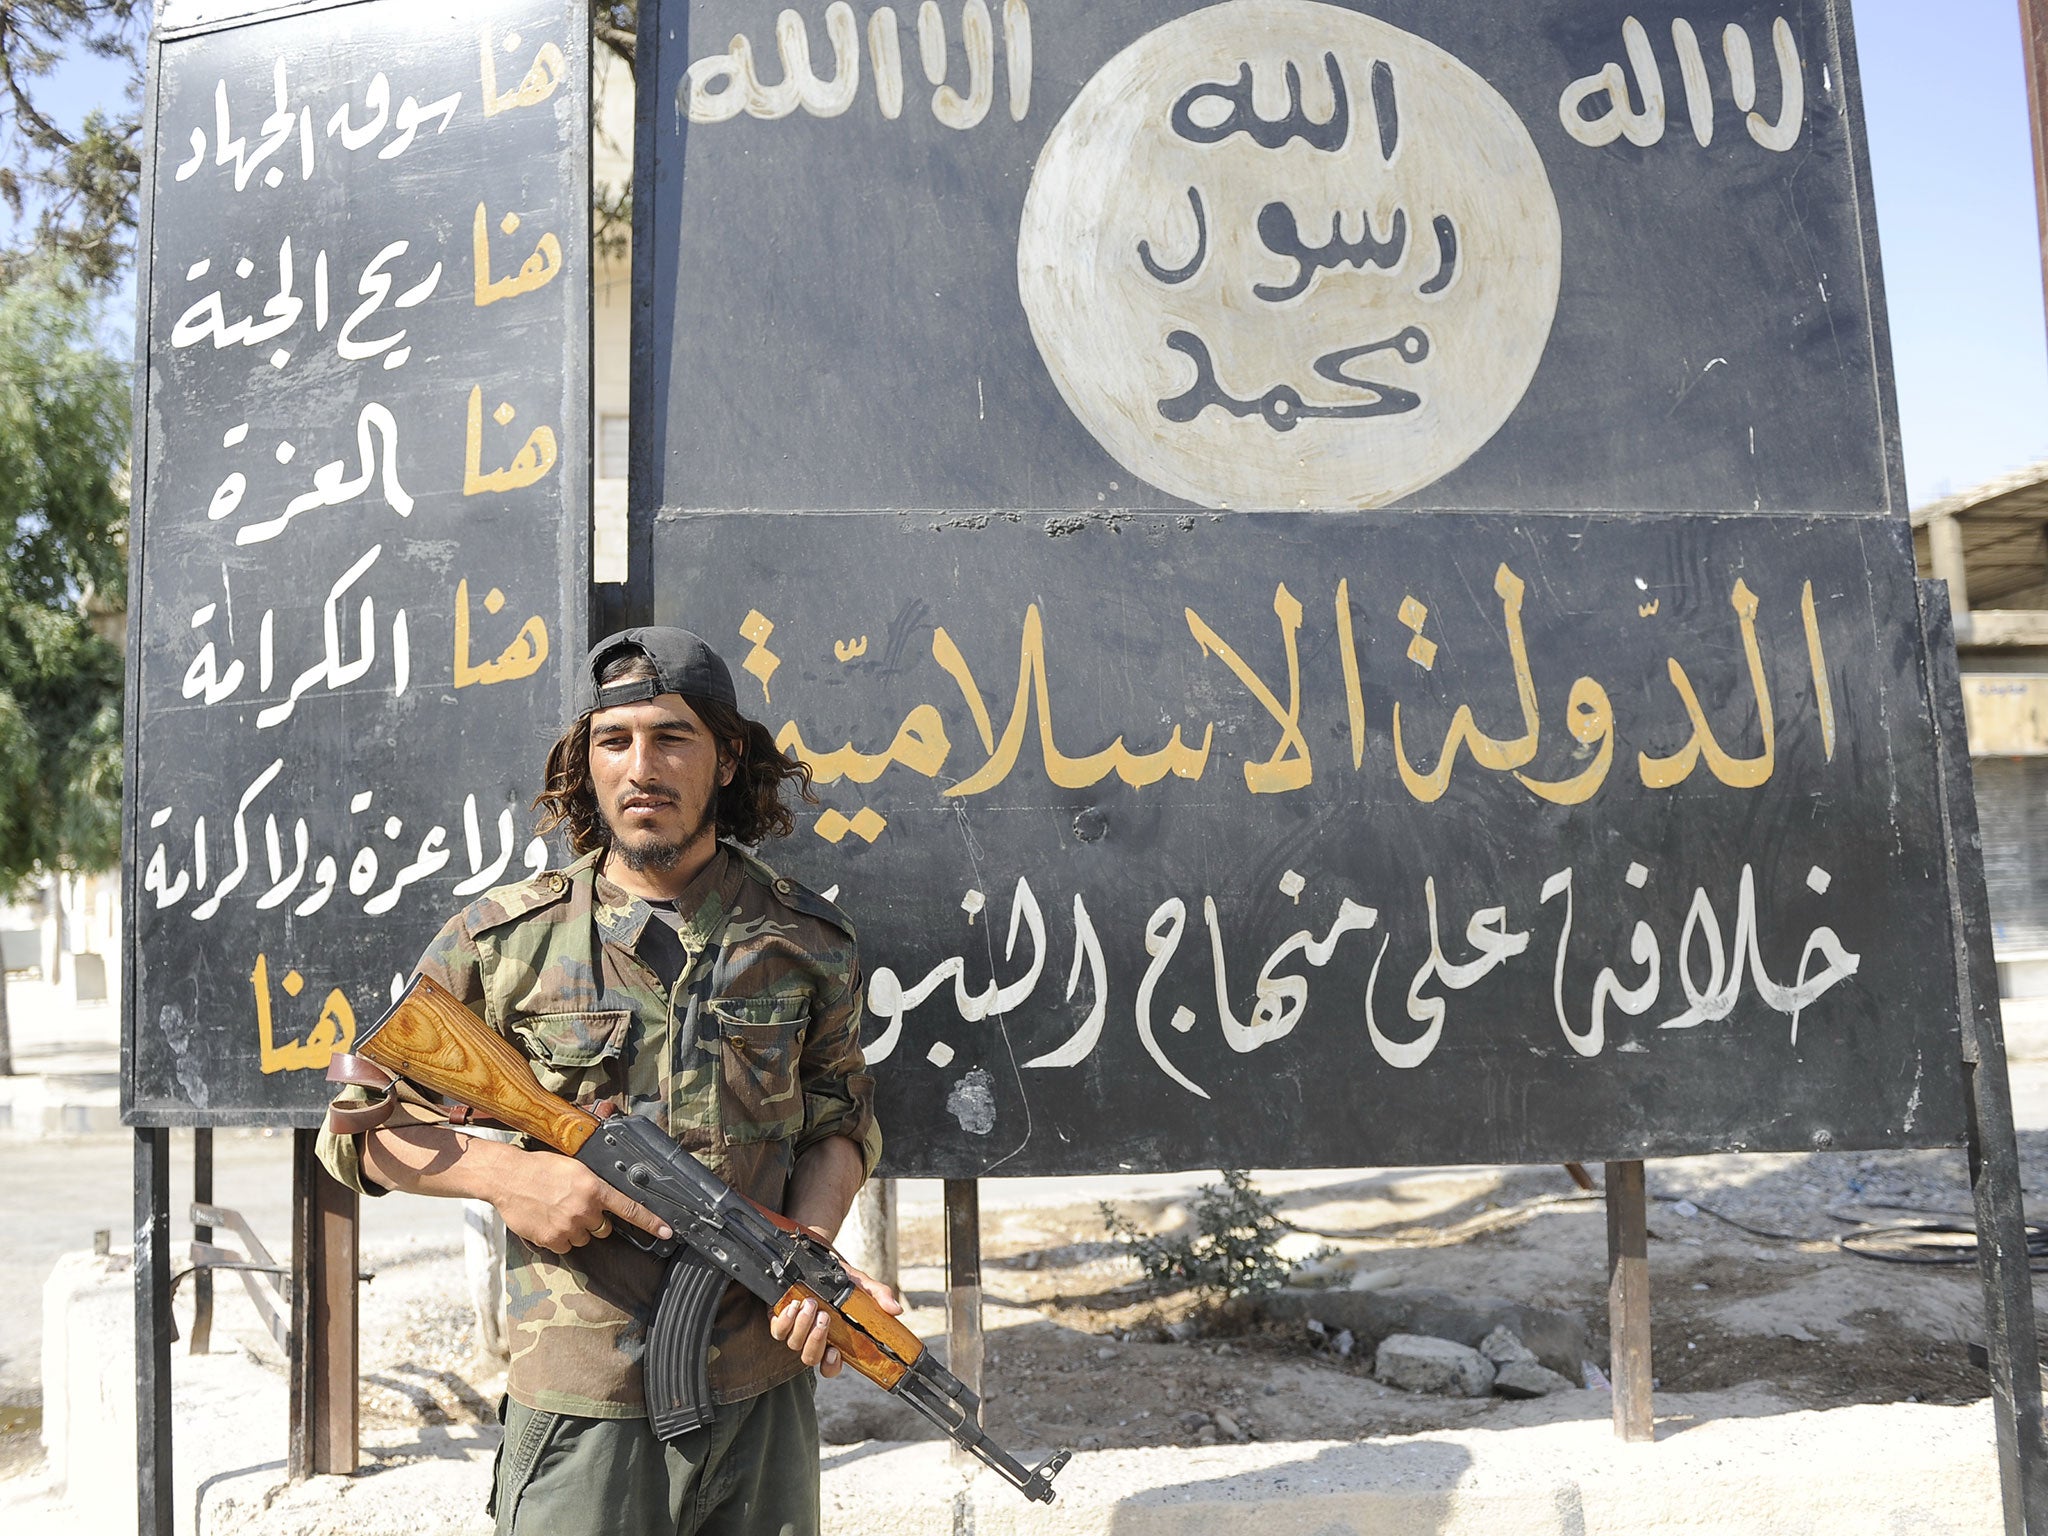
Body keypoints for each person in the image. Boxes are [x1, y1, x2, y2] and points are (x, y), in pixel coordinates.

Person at [316, 626, 892, 1536]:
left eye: (671, 737)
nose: (640, 767)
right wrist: (511, 1177)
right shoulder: (506, 940)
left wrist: (808, 1258)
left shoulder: (805, 942)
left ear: (730, 757)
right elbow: (355, 1128)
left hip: (761, 1398)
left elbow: (841, 1120)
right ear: (585, 764)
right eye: (612, 741)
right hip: (583, 1408)